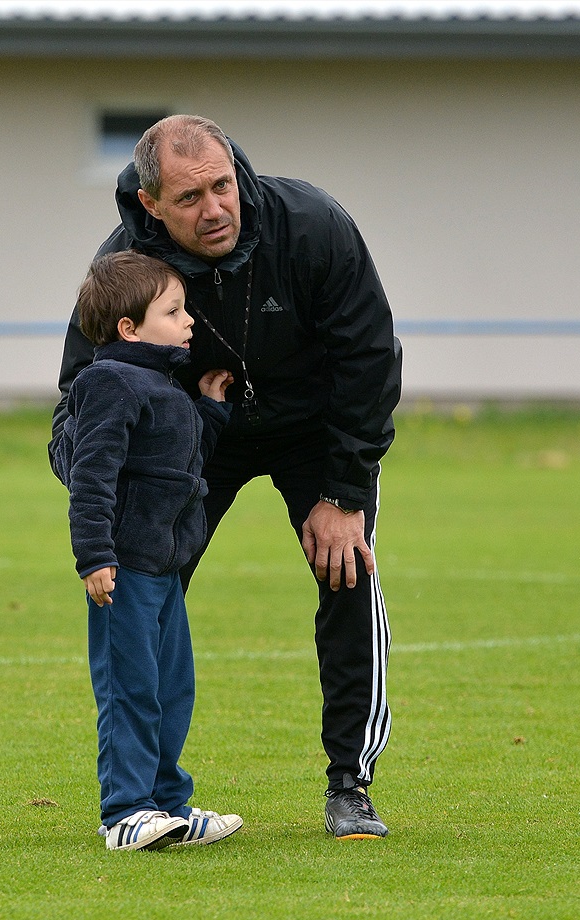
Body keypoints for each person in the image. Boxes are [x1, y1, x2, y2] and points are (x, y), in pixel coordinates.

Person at [50, 115, 402, 841]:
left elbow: (369, 359)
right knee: (143, 607)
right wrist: (116, 482)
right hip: (189, 435)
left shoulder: (311, 226)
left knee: (349, 571)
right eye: (189, 198)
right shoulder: (123, 269)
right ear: (150, 205)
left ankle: (350, 784)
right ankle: (143, 801)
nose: (214, 208)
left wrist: (343, 493)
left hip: (317, 433)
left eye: (222, 185)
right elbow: (75, 412)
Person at [57, 249, 243, 851]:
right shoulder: (107, 381)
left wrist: (210, 409)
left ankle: (168, 804)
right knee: (130, 687)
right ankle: (125, 812)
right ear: (129, 329)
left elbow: (179, 460)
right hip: (125, 569)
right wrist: (95, 556)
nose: (189, 321)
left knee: (172, 688)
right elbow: (93, 475)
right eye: (174, 311)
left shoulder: (162, 385)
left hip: (165, 570)